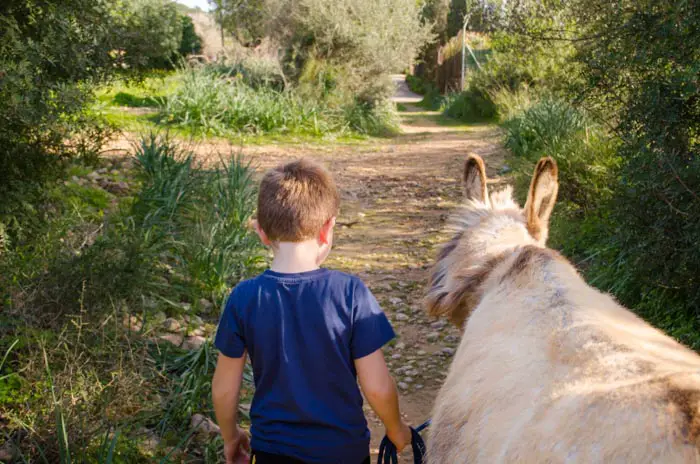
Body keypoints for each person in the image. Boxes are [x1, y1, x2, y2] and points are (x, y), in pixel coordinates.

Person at [212, 159, 412, 464]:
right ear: (328, 228)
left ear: (261, 232)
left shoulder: (244, 298)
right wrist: (397, 429)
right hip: (343, 453)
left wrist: (231, 437)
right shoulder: (349, 293)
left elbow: (225, 389)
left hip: (272, 451)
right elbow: (377, 386)